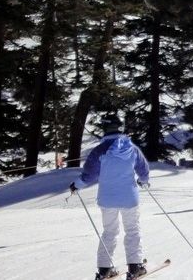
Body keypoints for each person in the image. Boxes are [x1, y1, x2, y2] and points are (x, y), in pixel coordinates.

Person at [70, 114, 150, 280]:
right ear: (120, 128)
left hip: (108, 199)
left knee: (109, 232)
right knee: (132, 230)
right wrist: (144, 182)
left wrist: (76, 185)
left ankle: (104, 270)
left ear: (105, 129)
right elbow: (143, 169)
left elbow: (89, 175)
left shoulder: (99, 151)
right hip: (129, 198)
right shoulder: (132, 148)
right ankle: (135, 268)